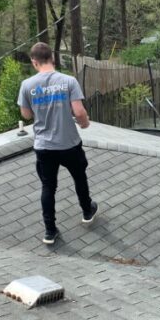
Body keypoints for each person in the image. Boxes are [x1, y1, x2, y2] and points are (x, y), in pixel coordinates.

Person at [18, 42, 98, 244]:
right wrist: (85, 124)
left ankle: (50, 231)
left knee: (48, 187)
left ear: (34, 62)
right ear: (52, 58)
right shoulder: (69, 81)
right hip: (69, 143)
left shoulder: (27, 85)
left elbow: (26, 115)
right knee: (79, 178)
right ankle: (87, 212)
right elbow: (79, 112)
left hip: (44, 147)